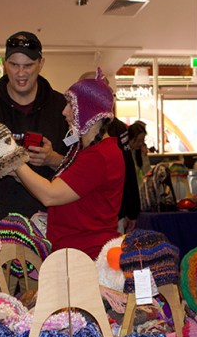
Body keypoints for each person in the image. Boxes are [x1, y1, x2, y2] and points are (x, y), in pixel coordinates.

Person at [11, 72, 124, 261]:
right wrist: (15, 169)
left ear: (91, 112)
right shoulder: (84, 150)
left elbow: (50, 195)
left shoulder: (100, 155)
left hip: (86, 256)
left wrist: (12, 158)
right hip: (75, 253)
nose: (65, 111)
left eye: (72, 105)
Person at [0, 31, 70, 219]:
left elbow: (80, 172)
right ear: (5, 64)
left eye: (28, 65)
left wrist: (52, 159)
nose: (21, 73)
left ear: (41, 64)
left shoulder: (63, 108)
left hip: (49, 222)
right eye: (14, 65)